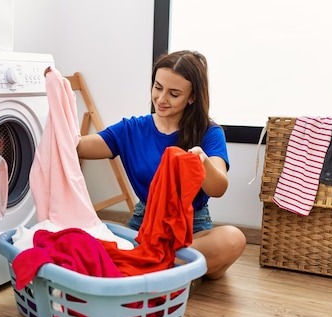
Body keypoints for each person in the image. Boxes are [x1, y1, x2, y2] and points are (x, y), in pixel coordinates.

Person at [76, 50, 246, 279]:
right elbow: (80, 147)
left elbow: (219, 188)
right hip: (145, 225)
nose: (161, 99)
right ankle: (173, 270)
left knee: (233, 239)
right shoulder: (132, 129)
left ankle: (148, 264)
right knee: (90, 231)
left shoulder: (209, 133)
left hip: (192, 229)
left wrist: (202, 161)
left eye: (174, 94)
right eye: (158, 87)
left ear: (192, 97)